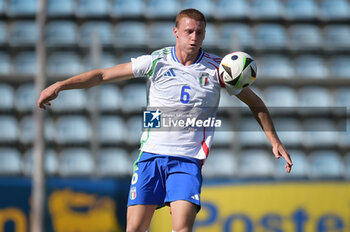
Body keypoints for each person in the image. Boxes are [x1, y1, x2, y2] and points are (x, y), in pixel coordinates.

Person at [38, 8, 293, 232]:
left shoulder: (219, 70)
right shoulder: (155, 62)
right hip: (151, 156)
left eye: (200, 33)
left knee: (181, 228)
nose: (194, 38)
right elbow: (103, 75)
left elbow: (256, 103)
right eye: (189, 31)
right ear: (176, 31)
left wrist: (274, 140)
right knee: (135, 228)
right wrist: (62, 84)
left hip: (187, 160)